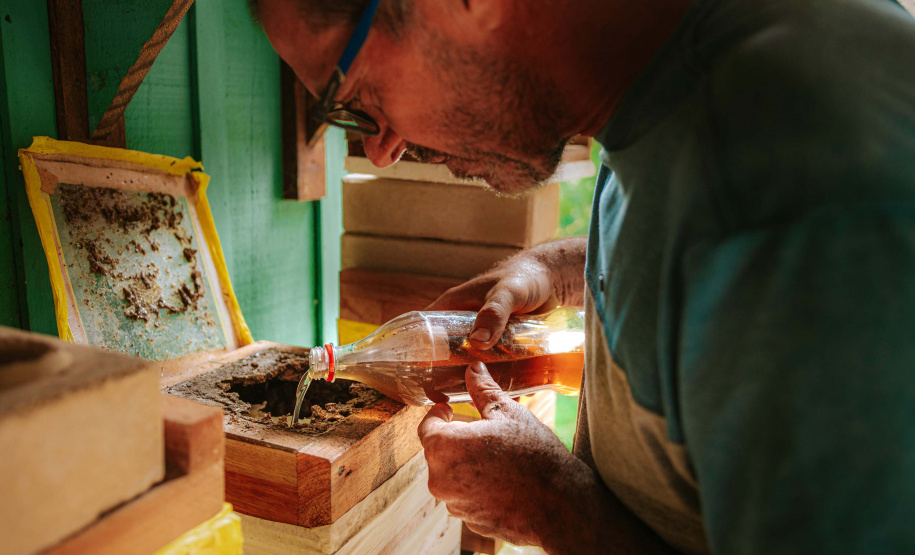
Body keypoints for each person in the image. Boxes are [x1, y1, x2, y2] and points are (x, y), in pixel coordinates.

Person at [250, 0, 915, 552]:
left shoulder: (796, 196)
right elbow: (687, 233)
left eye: (357, 100)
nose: (381, 149)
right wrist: (560, 268)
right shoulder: (676, 86)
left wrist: (555, 508)